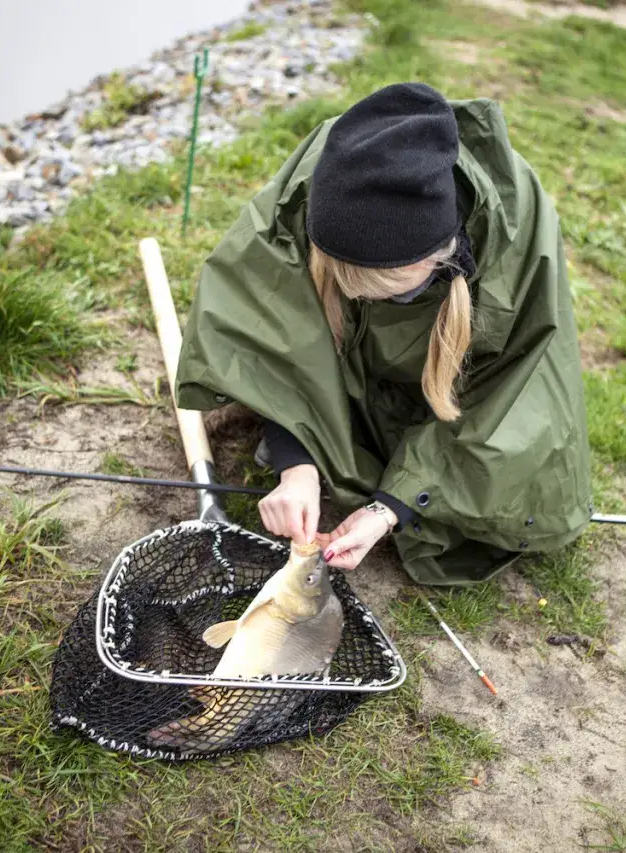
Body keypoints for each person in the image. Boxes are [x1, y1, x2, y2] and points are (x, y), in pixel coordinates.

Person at [175, 81, 592, 586]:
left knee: (515, 490)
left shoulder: (518, 233)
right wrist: (297, 464)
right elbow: (270, 332)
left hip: (451, 384)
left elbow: (518, 395)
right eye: (351, 290)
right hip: (362, 361)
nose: (371, 303)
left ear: (442, 258)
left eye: (393, 295)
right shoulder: (312, 192)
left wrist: (391, 508)